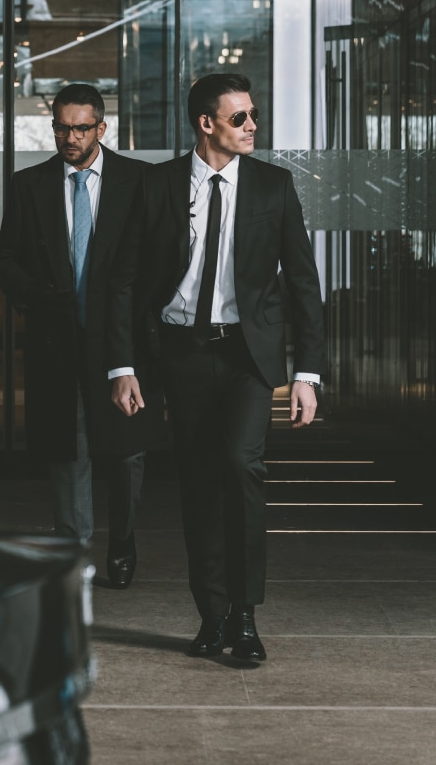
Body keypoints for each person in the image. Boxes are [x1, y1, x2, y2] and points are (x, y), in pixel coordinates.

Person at [114, 73, 324, 660]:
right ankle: (211, 616)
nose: (253, 126)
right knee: (199, 483)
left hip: (248, 357)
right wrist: (123, 366)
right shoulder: (157, 186)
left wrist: (308, 373)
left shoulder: (273, 187)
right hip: (181, 353)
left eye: (254, 114)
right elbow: (125, 283)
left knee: (239, 464)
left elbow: (304, 284)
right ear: (207, 124)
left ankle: (246, 615)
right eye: (240, 118)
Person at [0, 83, 161, 588]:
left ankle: (124, 541)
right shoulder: (30, 185)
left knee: (128, 450)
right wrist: (41, 296)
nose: (70, 136)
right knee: (70, 448)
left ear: (101, 129)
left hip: (123, 338)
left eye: (81, 127)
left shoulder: (140, 181)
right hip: (57, 338)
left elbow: (157, 262)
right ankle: (74, 553)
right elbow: (5, 260)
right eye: (62, 127)